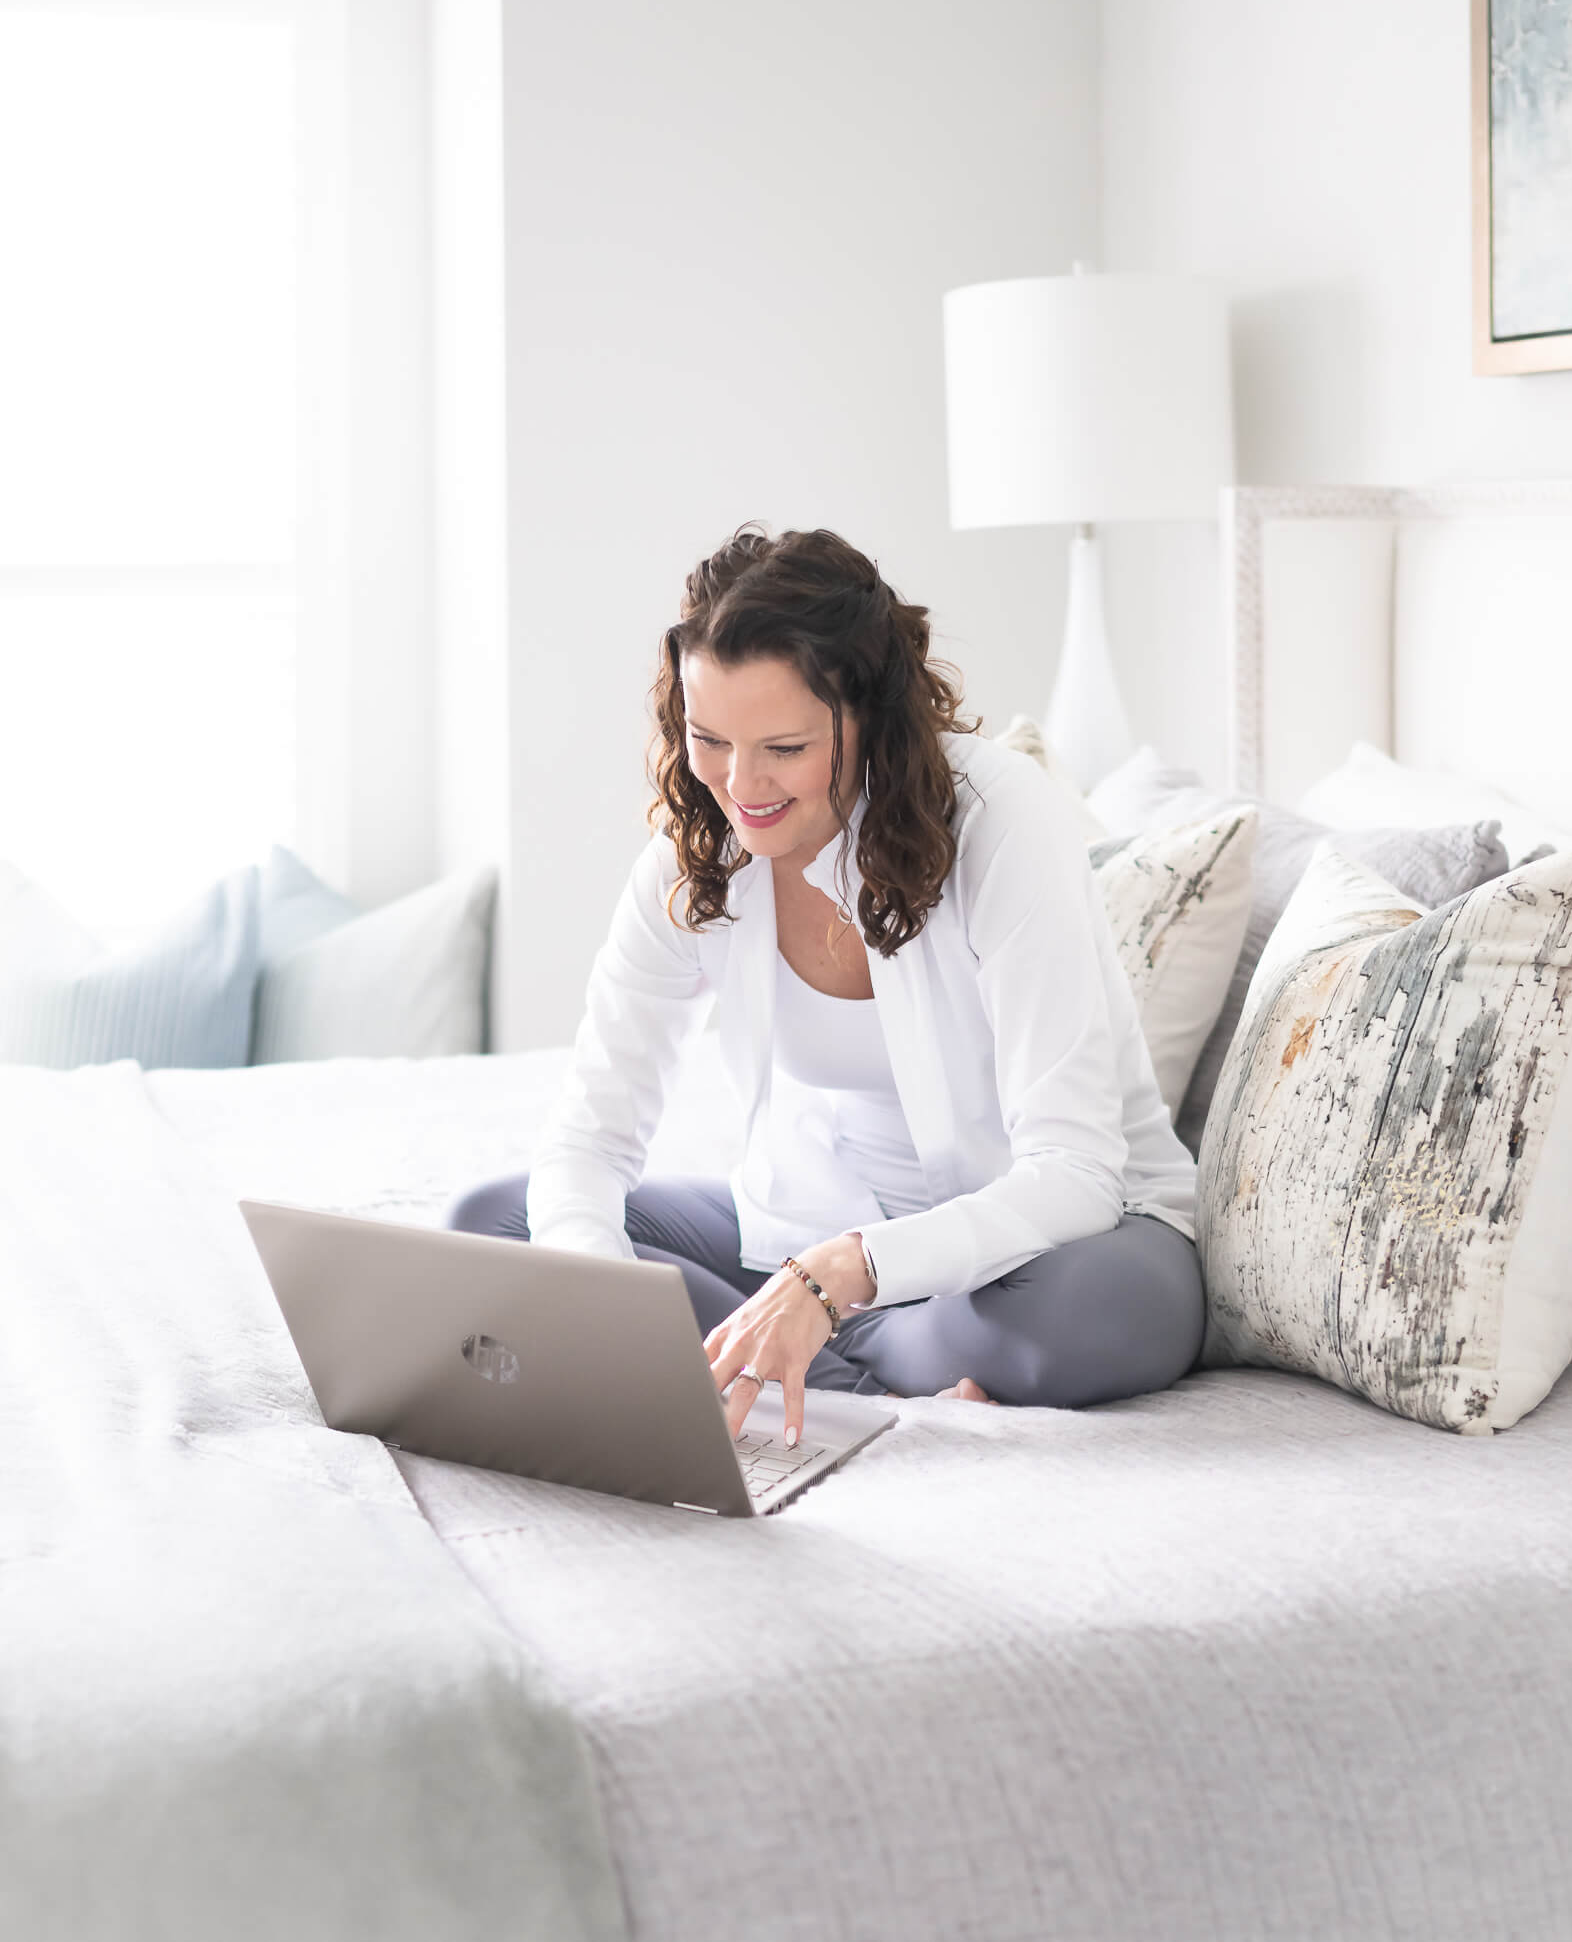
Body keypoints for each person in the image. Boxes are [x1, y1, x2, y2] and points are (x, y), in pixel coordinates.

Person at [444, 524, 1204, 1449]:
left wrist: (840, 1275)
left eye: (785, 747)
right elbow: (590, 1139)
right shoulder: (695, 861)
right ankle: (867, 1377)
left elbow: (1078, 1176)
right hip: (810, 1241)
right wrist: (599, 1308)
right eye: (707, 738)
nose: (739, 784)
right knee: (498, 1223)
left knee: (1086, 1318)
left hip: (1047, 1246)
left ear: (870, 721)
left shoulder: (1002, 822)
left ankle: (796, 1362)